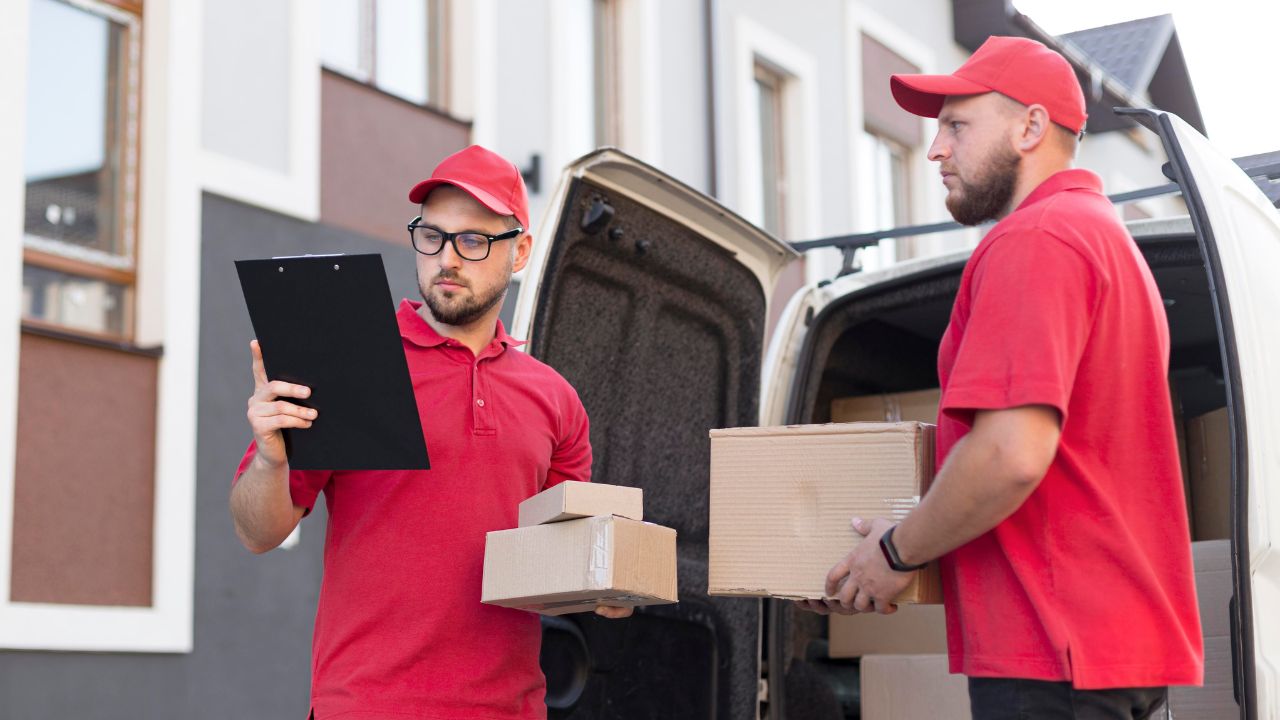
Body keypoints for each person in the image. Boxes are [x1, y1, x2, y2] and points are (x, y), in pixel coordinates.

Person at [797, 36, 1203, 719]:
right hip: (1099, 651)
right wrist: (873, 558)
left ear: (1031, 127)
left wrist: (893, 553)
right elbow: (1052, 482)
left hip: (1051, 653)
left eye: (957, 125)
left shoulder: (1036, 239)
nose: (935, 150)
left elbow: (1009, 456)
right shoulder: (1102, 238)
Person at [230, 144, 630, 720]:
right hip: (366, 706)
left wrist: (607, 583)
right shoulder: (349, 364)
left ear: (519, 252)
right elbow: (256, 533)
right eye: (433, 236)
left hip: (509, 710)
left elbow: (558, 557)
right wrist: (271, 461)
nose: (448, 258)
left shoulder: (555, 399)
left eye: (473, 240)